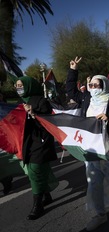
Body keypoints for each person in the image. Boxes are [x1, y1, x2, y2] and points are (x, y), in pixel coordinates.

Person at [66, 57, 109, 231]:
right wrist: (73, 70)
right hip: (91, 149)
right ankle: (100, 215)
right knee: (94, 182)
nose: (93, 88)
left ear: (105, 85)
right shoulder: (86, 98)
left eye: (97, 85)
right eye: (92, 85)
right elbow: (71, 91)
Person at [14, 76, 58, 220]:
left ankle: (37, 206)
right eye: (17, 86)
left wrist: (33, 114)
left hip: (41, 142)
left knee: (35, 170)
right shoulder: (19, 102)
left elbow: (48, 124)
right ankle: (46, 194)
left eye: (21, 85)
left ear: (29, 86)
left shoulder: (41, 101)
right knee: (37, 170)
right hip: (26, 143)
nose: (18, 88)